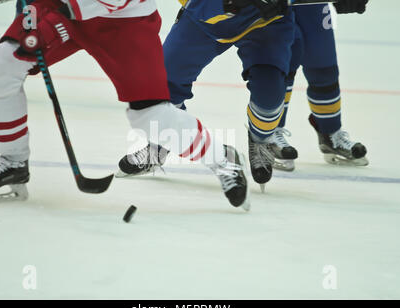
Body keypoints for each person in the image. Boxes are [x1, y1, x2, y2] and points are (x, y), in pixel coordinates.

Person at [0, 0, 250, 211]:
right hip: (62, 9)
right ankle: (13, 162)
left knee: (150, 115)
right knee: (2, 64)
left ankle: (221, 158)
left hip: (123, 18)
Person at [118, 0, 296, 191]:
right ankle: (159, 145)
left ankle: (261, 139)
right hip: (208, 17)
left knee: (269, 94)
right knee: (164, 84)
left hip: (264, 23)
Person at [268, 1, 369, 171]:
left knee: (323, 68)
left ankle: (330, 133)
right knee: (281, 68)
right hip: (276, 6)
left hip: (312, 5)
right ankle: (268, 133)